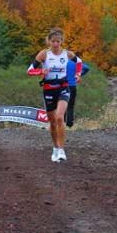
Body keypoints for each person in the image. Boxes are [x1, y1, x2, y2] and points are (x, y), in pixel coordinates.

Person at [27, 28, 76, 162]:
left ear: (61, 42)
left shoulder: (68, 54)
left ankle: (61, 150)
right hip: (48, 89)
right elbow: (29, 70)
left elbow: (80, 64)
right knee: (53, 122)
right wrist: (41, 71)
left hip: (63, 87)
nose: (55, 44)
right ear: (49, 41)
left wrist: (77, 74)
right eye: (53, 41)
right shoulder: (44, 54)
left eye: (58, 42)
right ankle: (55, 148)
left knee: (60, 117)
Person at [65, 54, 89, 128]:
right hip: (72, 86)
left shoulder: (63, 63)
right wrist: (79, 74)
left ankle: (61, 122)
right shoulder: (76, 63)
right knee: (71, 105)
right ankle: (69, 125)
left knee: (61, 105)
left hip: (63, 86)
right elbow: (87, 68)